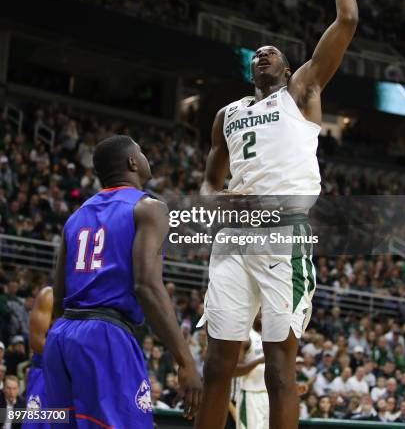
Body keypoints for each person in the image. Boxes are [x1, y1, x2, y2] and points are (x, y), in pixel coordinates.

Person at [196, 0, 359, 429]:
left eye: (272, 53)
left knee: (279, 371)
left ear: (289, 68)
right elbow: (207, 181)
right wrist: (211, 199)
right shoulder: (229, 114)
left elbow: (347, 20)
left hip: (282, 236)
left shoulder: (302, 93)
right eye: (256, 54)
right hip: (233, 240)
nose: (262, 56)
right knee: (217, 364)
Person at [43, 135, 202, 428]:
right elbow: (147, 285)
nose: (145, 157)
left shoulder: (76, 216)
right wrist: (185, 360)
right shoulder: (148, 207)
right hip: (105, 337)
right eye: (141, 152)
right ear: (132, 162)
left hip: (61, 337)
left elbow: (59, 295)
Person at [22, 287, 53, 429]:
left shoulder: (92, 301)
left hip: (74, 375)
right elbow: (37, 342)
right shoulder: (49, 295)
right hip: (45, 371)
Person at [234, 313, 267, 429]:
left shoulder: (274, 336)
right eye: (260, 309)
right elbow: (235, 371)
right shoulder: (246, 337)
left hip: (271, 396)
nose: (263, 313)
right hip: (250, 396)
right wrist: (259, 361)